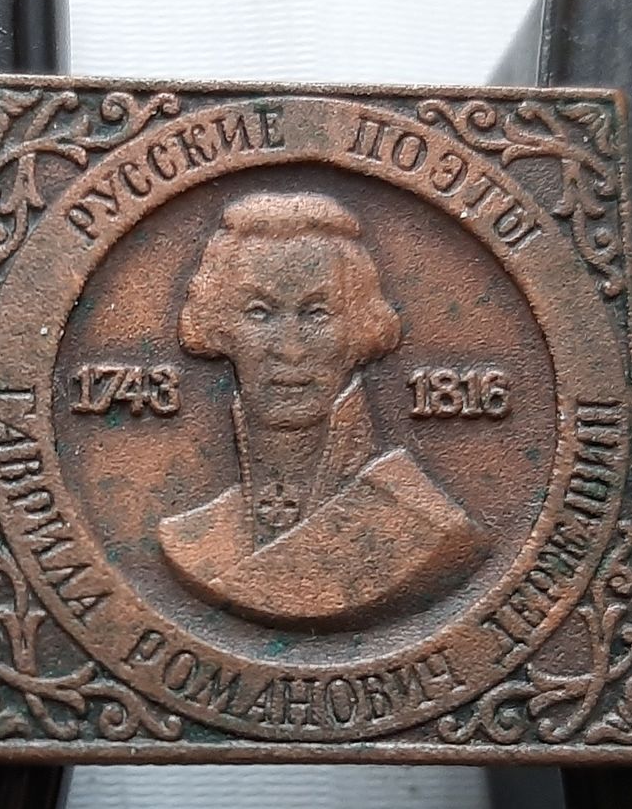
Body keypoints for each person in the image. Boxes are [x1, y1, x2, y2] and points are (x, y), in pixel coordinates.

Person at [158, 191, 484, 627]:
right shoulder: (194, 536)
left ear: (360, 329)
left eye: (316, 313)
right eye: (260, 313)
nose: (290, 349)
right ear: (218, 328)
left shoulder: (423, 524)